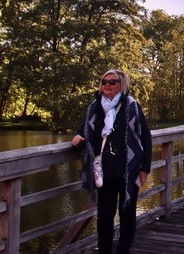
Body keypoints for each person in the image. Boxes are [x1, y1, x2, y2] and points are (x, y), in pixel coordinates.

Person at [72, 69, 152, 254]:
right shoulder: (95, 107)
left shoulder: (132, 106)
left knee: (127, 213)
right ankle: (105, 251)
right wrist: (77, 138)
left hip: (128, 170)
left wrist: (145, 168)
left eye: (112, 82)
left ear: (121, 85)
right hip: (104, 170)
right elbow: (83, 132)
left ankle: (124, 250)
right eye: (104, 81)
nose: (107, 85)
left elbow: (146, 139)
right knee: (105, 215)